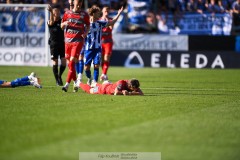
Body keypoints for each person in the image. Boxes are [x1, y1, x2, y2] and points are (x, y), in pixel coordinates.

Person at [83, 5, 123, 87]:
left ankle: (94, 82)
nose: (99, 14)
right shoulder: (86, 24)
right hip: (88, 49)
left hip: (97, 48)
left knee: (96, 65)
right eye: (98, 13)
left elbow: (112, 22)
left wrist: (118, 14)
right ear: (93, 14)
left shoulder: (100, 23)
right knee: (86, 68)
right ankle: (90, 78)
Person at [61, 0, 90, 92]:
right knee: (70, 65)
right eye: (78, 3)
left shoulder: (84, 14)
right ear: (74, 3)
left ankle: (66, 85)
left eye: (81, 3)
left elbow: (88, 25)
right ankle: (75, 81)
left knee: (72, 61)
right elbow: (61, 25)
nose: (79, 5)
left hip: (77, 41)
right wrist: (64, 24)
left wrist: (85, 33)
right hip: (67, 42)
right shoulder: (67, 13)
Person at [47, 5, 66, 86]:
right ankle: (57, 80)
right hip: (53, 44)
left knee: (64, 62)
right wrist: (51, 11)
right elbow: (51, 22)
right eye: (55, 12)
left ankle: (59, 76)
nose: (57, 14)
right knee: (55, 62)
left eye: (58, 12)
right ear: (53, 14)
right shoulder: (49, 21)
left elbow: (65, 24)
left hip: (62, 43)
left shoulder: (61, 21)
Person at [79, 78, 144, 95]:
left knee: (103, 85)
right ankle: (79, 83)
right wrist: (123, 93)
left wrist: (129, 93)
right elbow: (116, 93)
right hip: (104, 90)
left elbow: (141, 93)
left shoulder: (132, 84)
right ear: (130, 86)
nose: (135, 90)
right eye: (134, 89)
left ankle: (95, 83)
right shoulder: (121, 83)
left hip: (109, 85)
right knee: (90, 91)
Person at [99, 6, 114, 81]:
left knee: (106, 58)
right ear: (102, 11)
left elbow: (111, 28)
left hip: (108, 42)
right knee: (102, 60)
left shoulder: (110, 20)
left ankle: (104, 74)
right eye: (105, 11)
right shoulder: (98, 20)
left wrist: (107, 20)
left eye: (107, 11)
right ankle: (104, 73)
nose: (106, 12)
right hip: (100, 42)